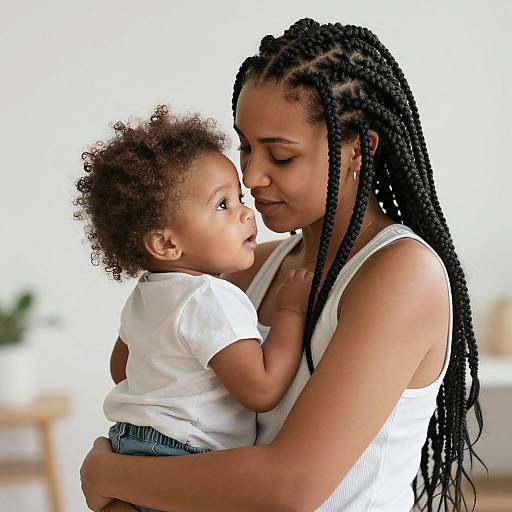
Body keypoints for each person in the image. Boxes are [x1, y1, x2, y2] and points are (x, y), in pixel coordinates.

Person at [80, 19, 483, 512]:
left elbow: (288, 486)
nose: (250, 176)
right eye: (246, 147)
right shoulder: (252, 268)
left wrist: (112, 472)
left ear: (358, 151)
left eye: (281, 156)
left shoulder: (401, 276)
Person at [74, 107, 312, 512]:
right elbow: (262, 389)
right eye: (222, 205)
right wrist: (290, 311)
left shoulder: (146, 295)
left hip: (130, 446)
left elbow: (123, 370)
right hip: (185, 461)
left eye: (238, 197)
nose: (245, 211)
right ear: (166, 244)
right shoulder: (209, 297)